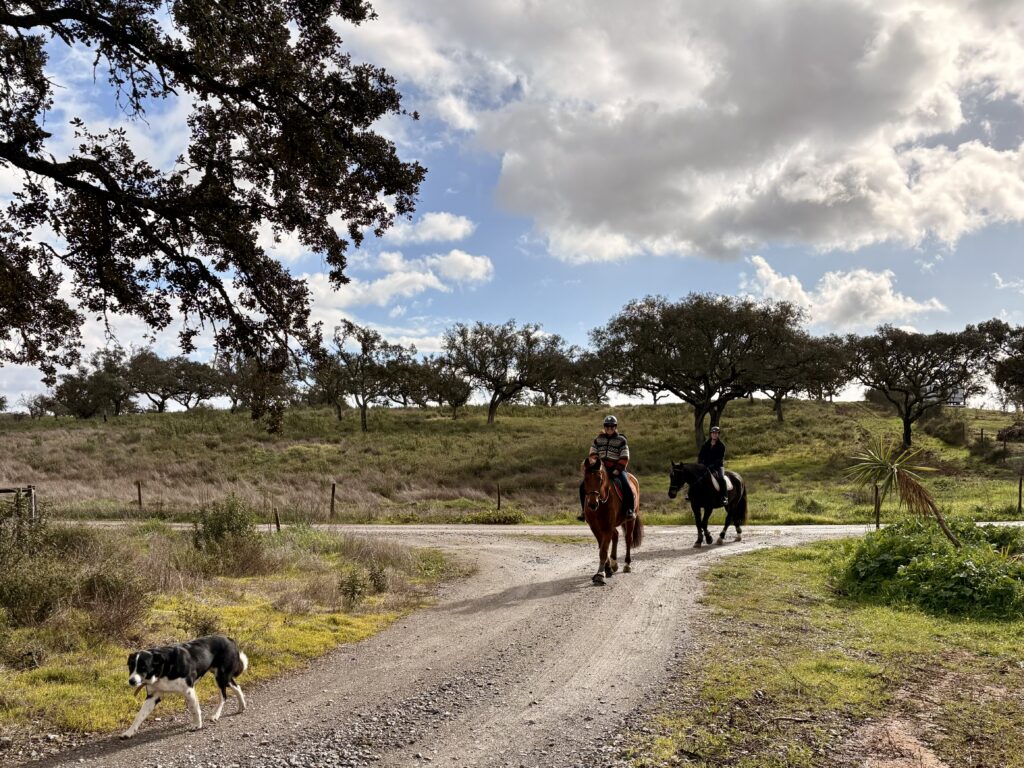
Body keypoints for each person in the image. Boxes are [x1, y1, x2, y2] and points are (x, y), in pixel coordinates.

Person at [578, 415, 635, 521]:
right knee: (582, 486)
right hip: (600, 469)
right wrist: (597, 464)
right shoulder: (598, 439)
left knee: (626, 485)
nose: (609, 428)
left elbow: (625, 456)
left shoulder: (621, 440)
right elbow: (593, 453)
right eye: (607, 426)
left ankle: (630, 510)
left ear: (615, 427)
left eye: (612, 426)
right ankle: (583, 511)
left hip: (616, 469)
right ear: (604, 427)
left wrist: (618, 469)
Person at [698, 425, 728, 507]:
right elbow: (700, 456)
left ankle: (724, 497)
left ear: (718, 434)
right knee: (696, 476)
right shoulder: (705, 445)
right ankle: (690, 494)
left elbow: (720, 459)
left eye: (716, 433)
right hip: (705, 466)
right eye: (713, 433)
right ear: (711, 434)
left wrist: (711, 466)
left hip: (718, 467)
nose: (714, 434)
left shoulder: (721, 446)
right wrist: (701, 464)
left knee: (721, 478)